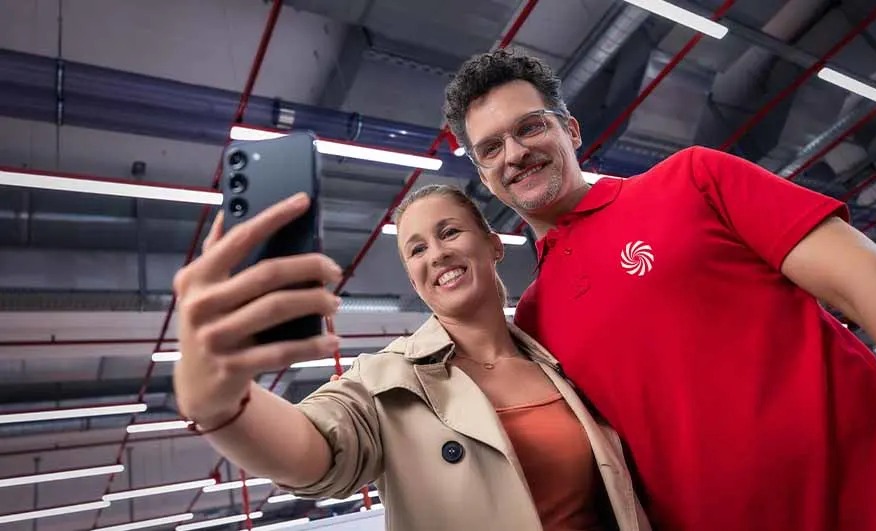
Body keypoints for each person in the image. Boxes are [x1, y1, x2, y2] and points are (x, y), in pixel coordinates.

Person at [442, 48, 876, 531]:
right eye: (491, 147)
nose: (516, 153)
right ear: (484, 176)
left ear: (570, 130)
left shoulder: (693, 179)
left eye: (530, 126)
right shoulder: (532, 322)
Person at [171, 185, 651, 531]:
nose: (436, 254)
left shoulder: (557, 360)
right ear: (412, 275)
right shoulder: (386, 380)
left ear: (493, 245)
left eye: (449, 233)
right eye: (416, 249)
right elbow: (317, 450)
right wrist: (225, 406)